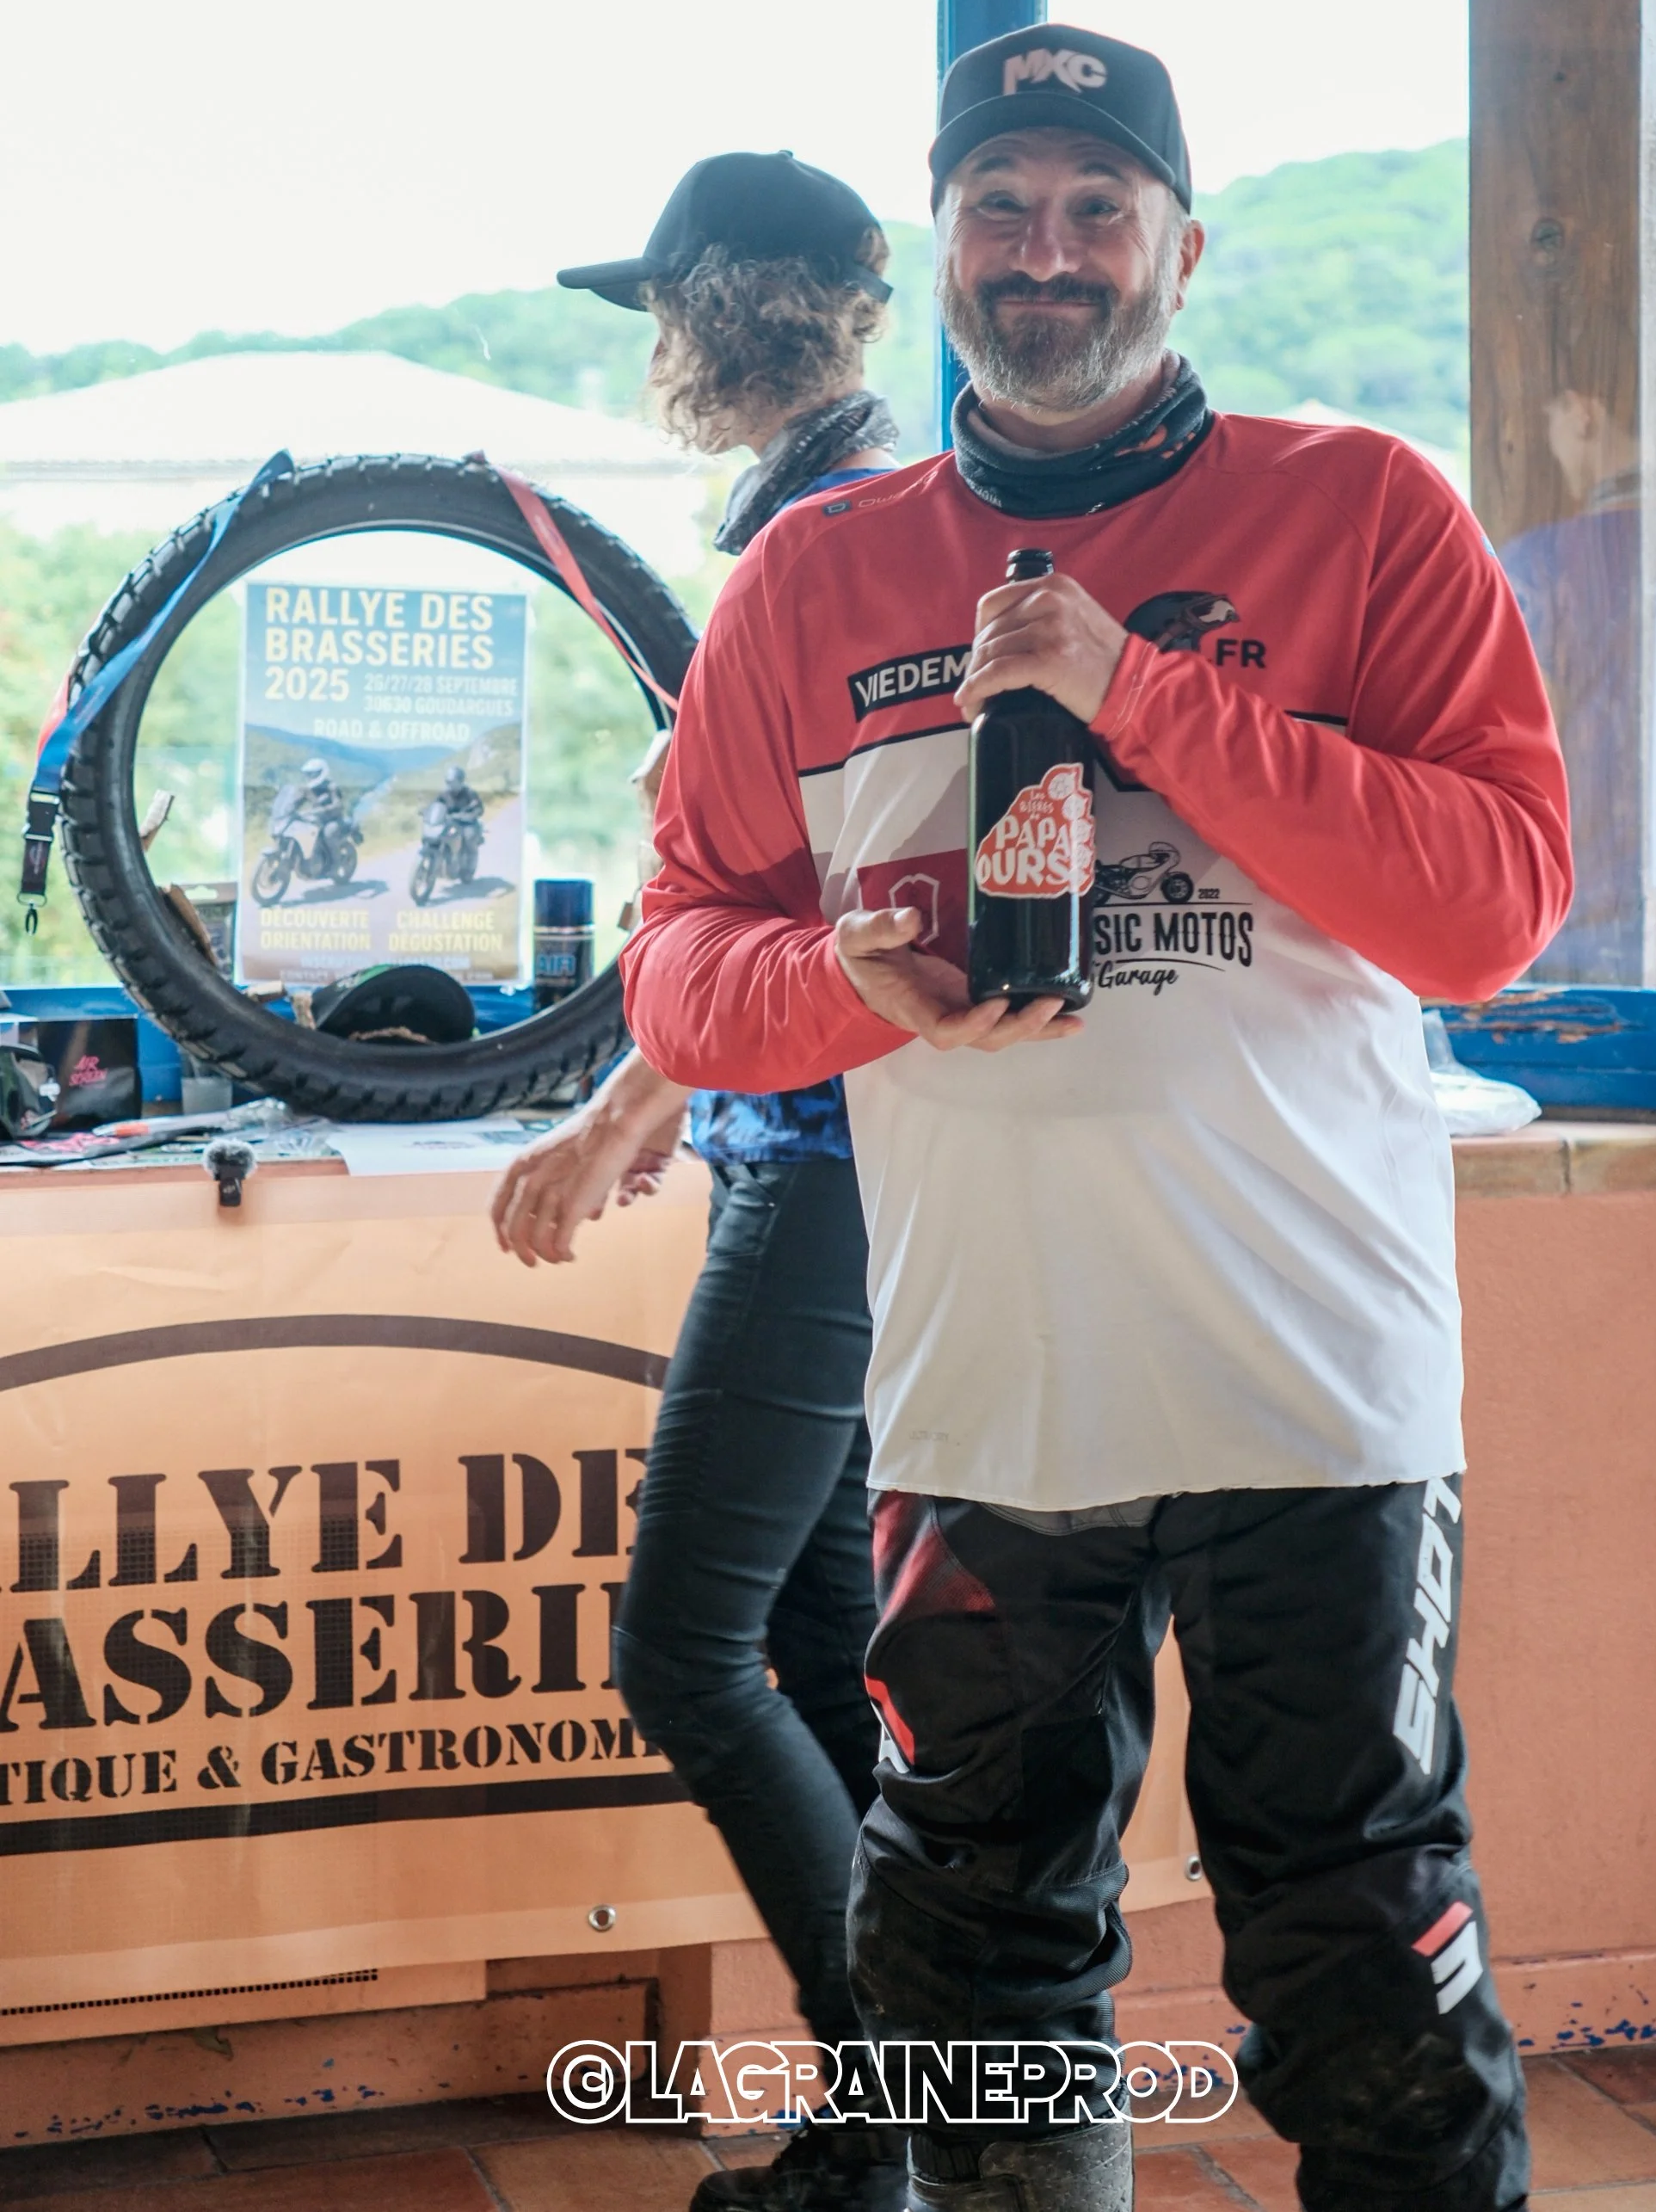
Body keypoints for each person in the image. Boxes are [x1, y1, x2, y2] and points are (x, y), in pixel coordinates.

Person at [619, 29, 1574, 2212]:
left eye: (1092, 207)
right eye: (997, 209)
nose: (1043, 255)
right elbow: (682, 957)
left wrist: (1142, 691)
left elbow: (1492, 910)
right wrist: (834, 985)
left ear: (1177, 244)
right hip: (982, 1416)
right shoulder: (809, 576)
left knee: (1359, 1958)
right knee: (967, 1965)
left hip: (1310, 1400)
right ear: (940, 246)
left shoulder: (1360, 509)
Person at [490, 151, 908, 2212]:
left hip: (828, 1165)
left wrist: (606, 1115)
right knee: (827, 1660)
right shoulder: (843, 520)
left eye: (660, 312)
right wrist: (670, 1106)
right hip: (824, 1148)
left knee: (686, 1650)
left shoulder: (810, 550)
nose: (655, 353)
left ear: (715, 320)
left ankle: (907, 2120)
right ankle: (875, 2142)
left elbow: (788, 909)